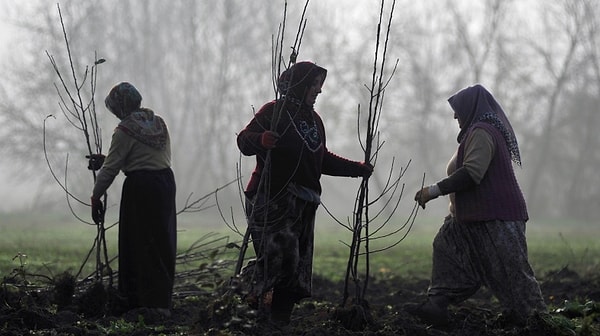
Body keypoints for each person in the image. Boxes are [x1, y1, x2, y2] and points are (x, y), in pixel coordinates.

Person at [236, 61, 373, 326]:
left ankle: (278, 322)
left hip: (305, 202)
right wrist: (261, 139)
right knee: (281, 260)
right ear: (300, 85)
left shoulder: (314, 120)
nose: (318, 91)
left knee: (297, 268)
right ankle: (240, 293)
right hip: (272, 198)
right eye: (313, 84)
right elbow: (244, 140)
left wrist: (356, 169)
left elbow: (321, 159)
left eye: (320, 85)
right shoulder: (274, 111)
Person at [409, 84, 546, 326]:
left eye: (457, 109)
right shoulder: (474, 133)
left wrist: (433, 191)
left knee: (512, 274)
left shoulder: (483, 132)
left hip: (498, 218)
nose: (454, 115)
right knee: (445, 246)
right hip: (470, 219)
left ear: (470, 108)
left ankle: (538, 321)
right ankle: (436, 304)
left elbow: (472, 174)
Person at [89, 82, 177, 315]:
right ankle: (160, 302)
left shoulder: (124, 129)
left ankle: (137, 301)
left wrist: (95, 197)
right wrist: (110, 158)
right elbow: (147, 156)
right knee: (161, 241)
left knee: (137, 244)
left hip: (141, 189)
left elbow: (110, 169)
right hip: (165, 185)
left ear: (120, 106)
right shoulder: (158, 123)